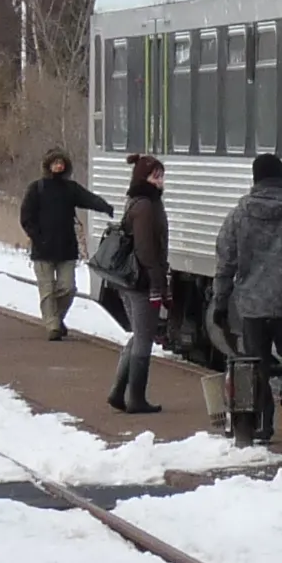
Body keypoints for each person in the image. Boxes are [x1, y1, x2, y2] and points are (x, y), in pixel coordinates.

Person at [211, 152, 282, 443]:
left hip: (252, 307)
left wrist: (221, 301)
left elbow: (225, 261)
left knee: (257, 364)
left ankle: (262, 427)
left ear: (256, 178)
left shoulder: (239, 214)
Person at [16, 147, 114, 342]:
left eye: (61, 162)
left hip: (66, 248)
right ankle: (53, 326)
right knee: (47, 290)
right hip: (42, 249)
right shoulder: (37, 189)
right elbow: (26, 217)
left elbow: (88, 199)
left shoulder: (70, 189)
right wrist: (37, 237)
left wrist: (104, 206)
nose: (58, 166)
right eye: (55, 163)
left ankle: (56, 319)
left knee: (68, 288)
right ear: (48, 165)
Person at [105, 153, 170, 416]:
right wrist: (157, 280)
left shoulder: (139, 201)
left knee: (138, 337)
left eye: (162, 175)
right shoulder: (145, 206)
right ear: (144, 177)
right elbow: (145, 248)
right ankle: (136, 398)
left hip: (133, 280)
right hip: (142, 281)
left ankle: (119, 392)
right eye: (156, 175)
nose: (161, 180)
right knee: (144, 340)